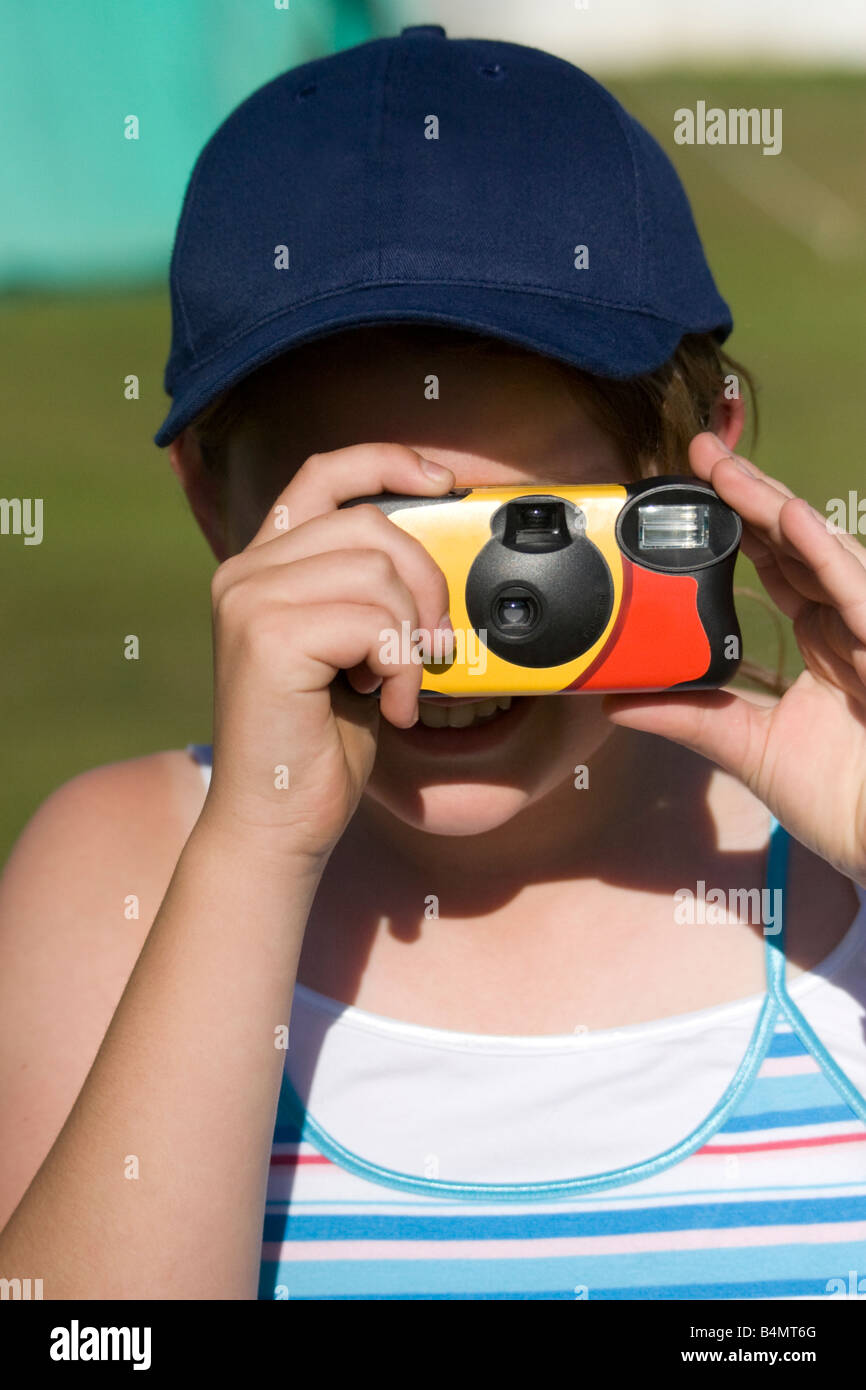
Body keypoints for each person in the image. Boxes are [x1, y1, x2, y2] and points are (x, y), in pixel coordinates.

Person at [1, 26, 865, 1302]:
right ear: (213, 509)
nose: (445, 645)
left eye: (525, 551)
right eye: (370, 544)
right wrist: (254, 852)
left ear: (695, 474)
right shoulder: (124, 878)